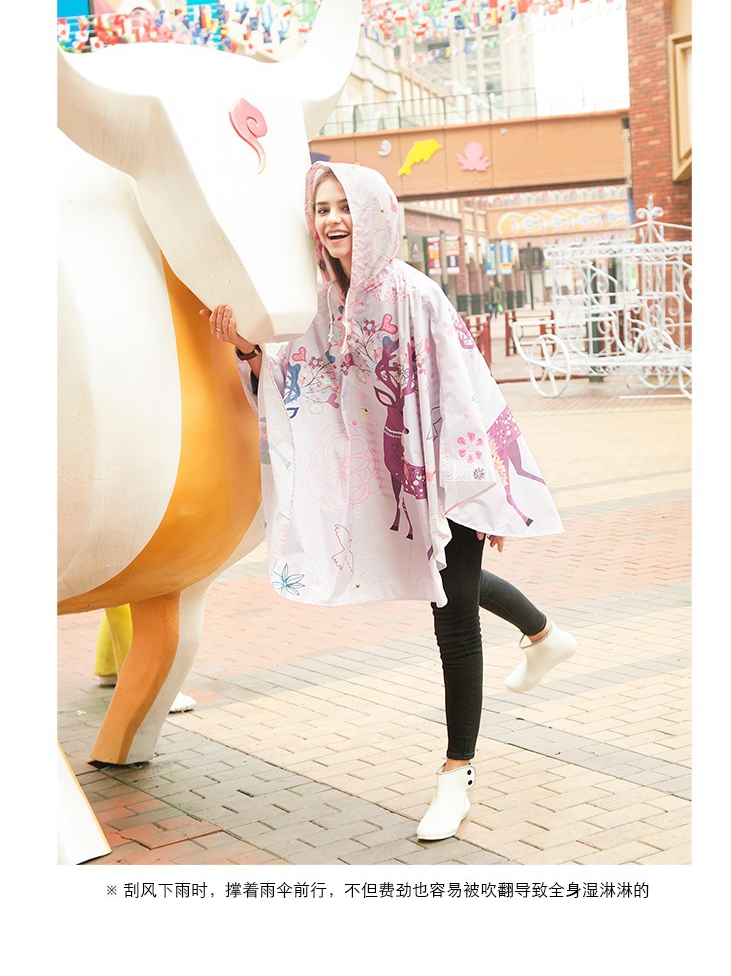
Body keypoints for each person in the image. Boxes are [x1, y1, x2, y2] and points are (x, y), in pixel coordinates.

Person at [200, 163, 575, 841]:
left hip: (447, 471)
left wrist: (479, 491)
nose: (333, 219)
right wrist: (249, 348)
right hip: (394, 476)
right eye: (322, 208)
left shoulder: (416, 294)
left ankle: (456, 775)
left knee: (452, 618)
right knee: (444, 581)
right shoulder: (323, 300)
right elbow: (306, 378)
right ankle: (546, 636)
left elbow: (463, 388)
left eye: (345, 206)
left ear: (375, 213)